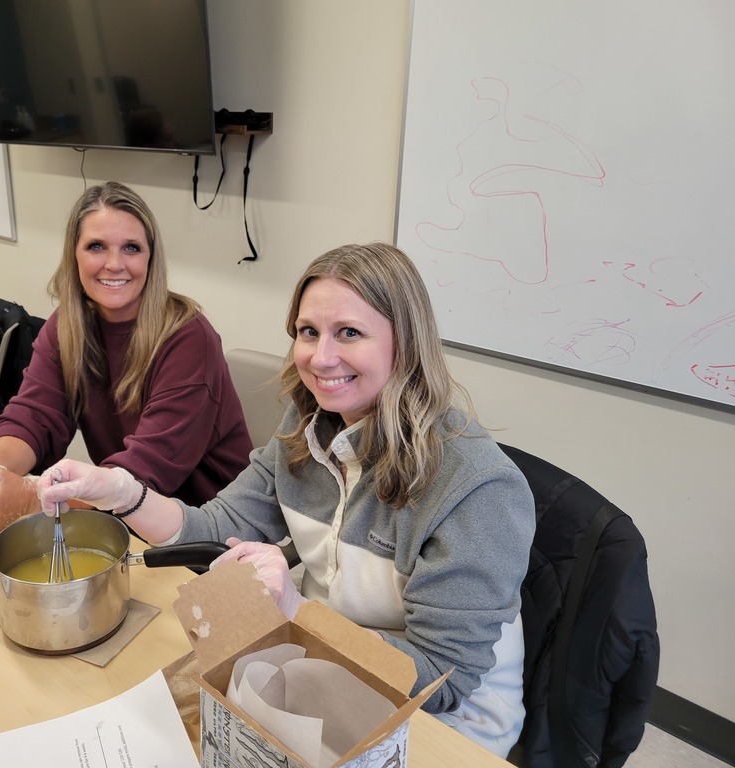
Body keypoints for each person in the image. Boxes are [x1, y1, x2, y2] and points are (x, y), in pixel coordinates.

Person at [37, 242, 536, 758]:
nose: (320, 359)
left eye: (349, 333)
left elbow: (436, 681)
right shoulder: (307, 430)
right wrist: (121, 491)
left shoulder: (479, 491)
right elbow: (216, 525)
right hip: (322, 661)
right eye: (308, 332)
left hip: (444, 724)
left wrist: (296, 609)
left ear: (405, 344)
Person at [0, 181, 253, 538]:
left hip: (205, 532)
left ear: (151, 258)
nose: (114, 264)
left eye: (131, 248)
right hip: (123, 516)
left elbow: (145, 472)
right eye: (96, 247)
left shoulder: (188, 338)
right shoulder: (69, 325)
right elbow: (33, 415)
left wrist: (29, 497)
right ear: (74, 255)